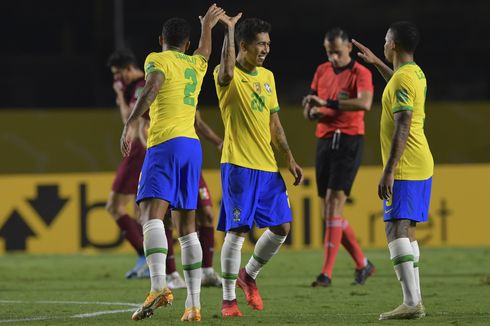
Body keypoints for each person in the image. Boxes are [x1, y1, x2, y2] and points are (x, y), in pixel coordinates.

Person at [120, 5, 225, 322]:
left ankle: (158, 286)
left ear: (162, 39)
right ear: (188, 44)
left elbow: (151, 87)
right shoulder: (197, 63)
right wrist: (208, 25)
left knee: (150, 214)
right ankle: (193, 306)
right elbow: (206, 49)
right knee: (186, 226)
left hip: (164, 143)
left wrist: (130, 122)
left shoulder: (156, 58)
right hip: (191, 147)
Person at [214, 15, 304, 317]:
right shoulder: (226, 74)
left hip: (267, 167)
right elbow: (226, 69)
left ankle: (248, 275)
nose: (265, 49)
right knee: (237, 232)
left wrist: (289, 157)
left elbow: (274, 123)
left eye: (267, 44)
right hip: (238, 165)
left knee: (282, 227)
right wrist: (227, 29)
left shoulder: (268, 78)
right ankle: (228, 300)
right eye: (260, 44)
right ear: (243, 45)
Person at [352, 21, 433, 320]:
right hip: (420, 163)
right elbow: (397, 87)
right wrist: (376, 64)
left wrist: (389, 170)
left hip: (405, 165)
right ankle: (415, 299)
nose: (383, 45)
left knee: (395, 227)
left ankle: (411, 302)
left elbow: (403, 124)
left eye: (386, 41)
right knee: (408, 230)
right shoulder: (414, 73)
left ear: (394, 45)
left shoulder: (402, 80)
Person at [301, 28, 375, 287]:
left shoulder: (360, 73)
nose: (332, 56)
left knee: (334, 206)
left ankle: (326, 274)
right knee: (328, 214)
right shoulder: (321, 70)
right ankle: (363, 264)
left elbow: (365, 103)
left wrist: (327, 104)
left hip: (348, 140)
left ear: (348, 49)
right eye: (329, 51)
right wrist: (312, 113)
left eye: (337, 51)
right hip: (323, 141)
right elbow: (311, 108)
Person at [106, 50, 148, 279]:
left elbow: (128, 119)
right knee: (139, 209)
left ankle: (146, 256)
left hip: (139, 147)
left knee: (115, 205)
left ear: (129, 68)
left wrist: (120, 95)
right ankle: (149, 259)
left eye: (119, 74)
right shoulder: (136, 84)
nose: (118, 79)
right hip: (140, 147)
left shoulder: (140, 85)